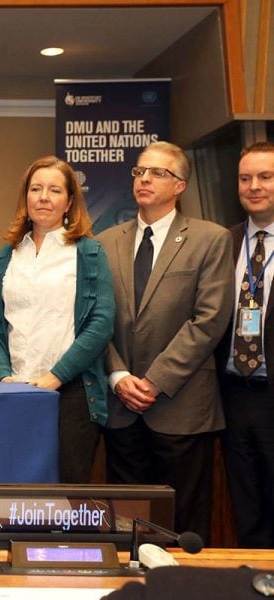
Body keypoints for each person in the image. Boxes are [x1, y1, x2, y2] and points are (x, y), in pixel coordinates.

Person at [97, 141, 233, 542]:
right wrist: (119, 375)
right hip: (121, 407)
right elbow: (94, 319)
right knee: (125, 529)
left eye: (158, 173)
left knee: (184, 526)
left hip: (181, 405)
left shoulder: (211, 239)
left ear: (180, 186)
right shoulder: (105, 243)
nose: (145, 179)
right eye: (140, 172)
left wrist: (154, 381)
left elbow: (208, 321)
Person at [0, 156, 115, 483]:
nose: (43, 197)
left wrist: (56, 376)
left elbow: (100, 324)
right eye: (36, 189)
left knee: (66, 496)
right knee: (15, 491)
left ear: (69, 201)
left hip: (71, 392)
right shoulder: (6, 255)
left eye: (54, 190)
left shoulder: (89, 253)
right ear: (25, 198)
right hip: (15, 391)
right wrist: (3, 377)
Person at [216, 142, 274, 548]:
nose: (254, 186)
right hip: (233, 394)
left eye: (266, 176)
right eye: (245, 178)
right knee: (246, 505)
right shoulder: (223, 242)